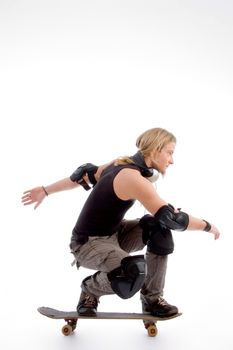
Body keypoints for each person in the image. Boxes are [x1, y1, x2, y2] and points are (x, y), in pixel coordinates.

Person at [21, 127, 220, 318]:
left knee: (157, 227)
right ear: (156, 149)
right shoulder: (132, 177)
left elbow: (83, 175)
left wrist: (45, 190)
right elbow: (174, 219)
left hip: (115, 235)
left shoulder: (120, 163)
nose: (172, 160)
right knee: (131, 274)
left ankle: (152, 299)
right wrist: (207, 226)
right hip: (87, 244)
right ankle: (90, 289)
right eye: (169, 153)